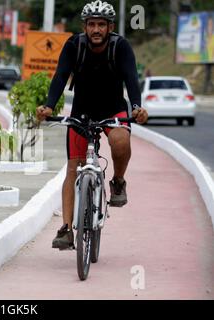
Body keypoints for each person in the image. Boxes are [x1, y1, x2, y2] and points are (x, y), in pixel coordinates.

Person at [36, 0, 149, 250]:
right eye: (91, 24)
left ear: (110, 27)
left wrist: (137, 107)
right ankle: (66, 229)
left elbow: (131, 78)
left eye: (101, 24)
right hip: (82, 112)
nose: (96, 29)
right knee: (73, 169)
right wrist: (49, 105)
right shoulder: (74, 45)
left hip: (114, 109)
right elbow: (60, 76)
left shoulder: (121, 47)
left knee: (120, 141)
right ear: (84, 26)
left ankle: (118, 181)